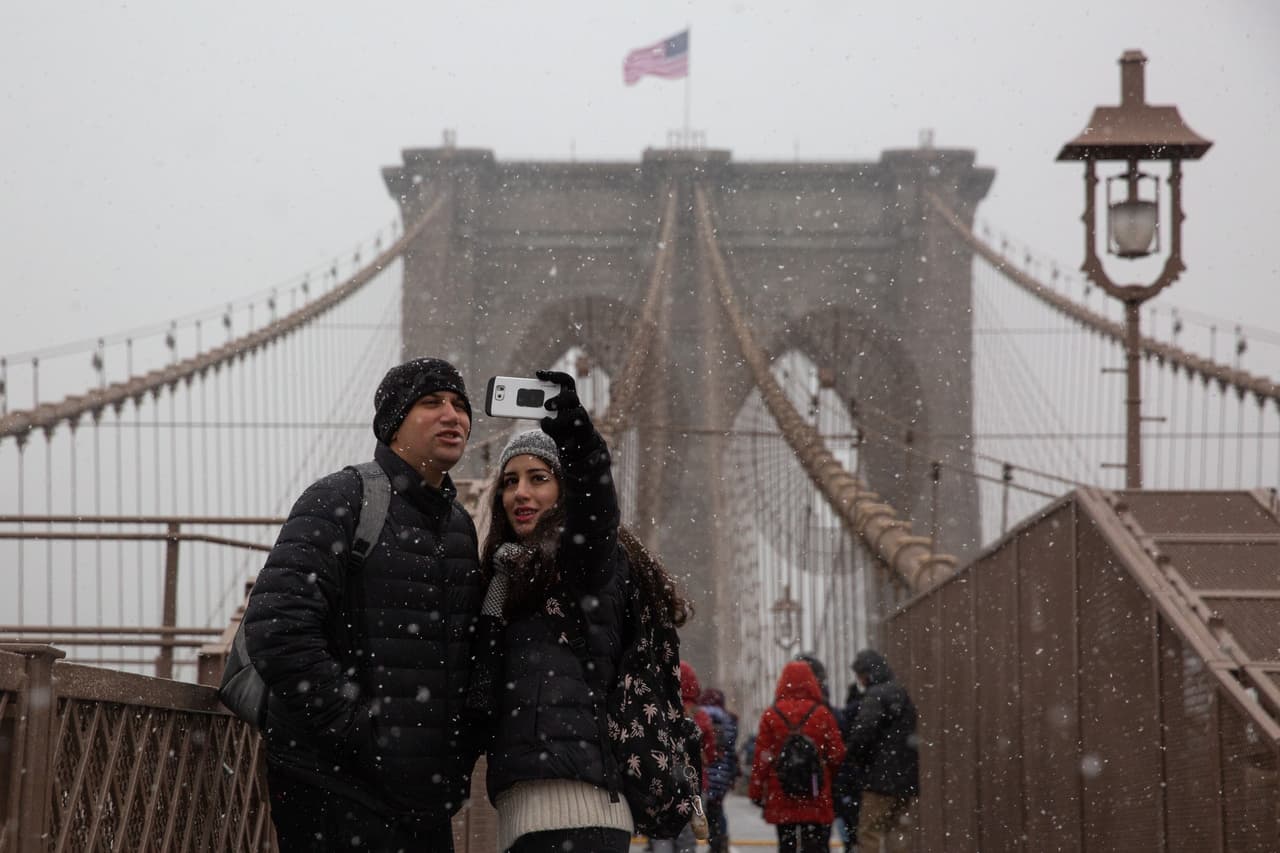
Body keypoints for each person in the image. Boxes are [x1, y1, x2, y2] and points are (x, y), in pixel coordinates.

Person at [242, 357, 486, 851]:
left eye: (460, 406)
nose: (453, 416)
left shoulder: (460, 526)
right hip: (335, 788)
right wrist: (362, 732)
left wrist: (456, 753)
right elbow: (276, 628)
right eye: (432, 402)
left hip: (424, 802)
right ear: (394, 422)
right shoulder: (342, 498)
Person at [477, 370, 692, 853]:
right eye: (510, 482)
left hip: (583, 813)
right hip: (521, 817)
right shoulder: (501, 582)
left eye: (538, 479)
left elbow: (596, 511)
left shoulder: (582, 565)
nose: (521, 494)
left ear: (564, 492)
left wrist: (577, 440)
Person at [749, 660, 847, 853]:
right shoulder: (822, 713)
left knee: (787, 846)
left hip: (782, 792)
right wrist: (825, 775)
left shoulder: (771, 715)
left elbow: (762, 759)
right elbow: (837, 754)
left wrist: (756, 791)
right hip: (815, 792)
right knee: (816, 846)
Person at [847, 650, 919, 853]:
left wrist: (853, 758)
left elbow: (863, 733)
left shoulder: (876, 695)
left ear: (867, 673)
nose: (859, 681)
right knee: (898, 831)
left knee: (869, 832)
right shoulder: (901, 692)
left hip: (879, 781)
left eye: (860, 675)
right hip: (904, 780)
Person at [651, 661, 717, 853]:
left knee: (661, 834)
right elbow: (710, 755)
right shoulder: (701, 716)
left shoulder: (657, 711)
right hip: (693, 786)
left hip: (662, 783)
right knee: (687, 838)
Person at [699, 687, 741, 853]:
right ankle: (719, 843)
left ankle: (702, 839)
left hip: (704, 773)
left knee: (702, 811)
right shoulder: (729, 721)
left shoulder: (699, 717)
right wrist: (730, 775)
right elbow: (731, 752)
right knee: (717, 811)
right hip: (721, 775)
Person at [832, 678, 865, 852]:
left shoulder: (843, 715)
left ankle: (848, 843)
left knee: (843, 814)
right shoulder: (867, 711)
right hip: (862, 774)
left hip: (845, 775)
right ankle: (855, 843)